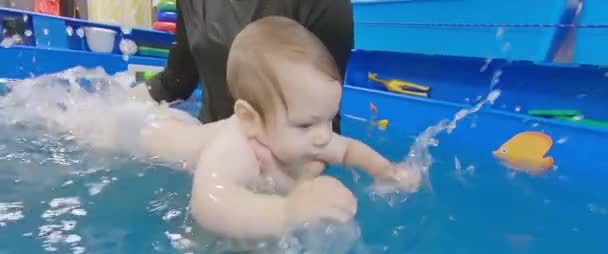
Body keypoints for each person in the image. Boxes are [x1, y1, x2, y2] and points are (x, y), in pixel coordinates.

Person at [72, 17, 422, 239]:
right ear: (251, 119)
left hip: (178, 126)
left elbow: (347, 149)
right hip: (141, 132)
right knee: (79, 124)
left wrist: (386, 171)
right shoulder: (235, 146)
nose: (323, 135)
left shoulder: (309, 133)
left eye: (328, 118)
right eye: (306, 123)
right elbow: (210, 205)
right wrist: (287, 211)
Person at [130, 0, 353, 134]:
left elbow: (324, 118)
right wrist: (110, 106)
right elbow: (175, 81)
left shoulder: (322, 5)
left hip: (291, 155)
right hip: (213, 143)